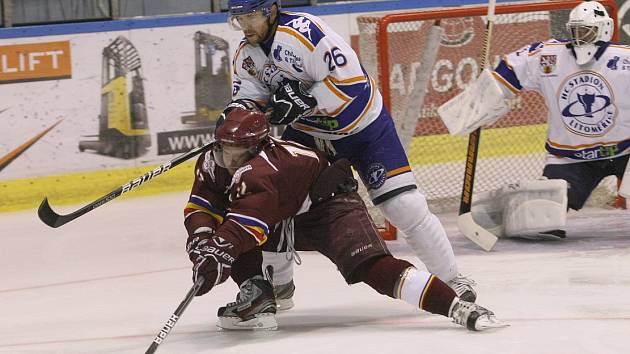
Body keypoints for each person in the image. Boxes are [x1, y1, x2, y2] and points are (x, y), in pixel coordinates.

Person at [222, 0, 477, 307]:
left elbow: (353, 85)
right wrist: (238, 119)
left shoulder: (305, 33)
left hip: (364, 128)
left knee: (403, 206)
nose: (245, 25)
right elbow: (249, 102)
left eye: (250, 16)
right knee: (273, 197)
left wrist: (307, 98)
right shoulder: (246, 56)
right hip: (309, 136)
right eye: (239, 18)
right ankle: (277, 285)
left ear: (271, 10)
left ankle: (451, 279)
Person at [183, 107, 505, 331]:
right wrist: (201, 241)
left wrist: (219, 252)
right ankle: (257, 296)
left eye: (239, 151)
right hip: (286, 211)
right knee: (224, 228)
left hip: (331, 206)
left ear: (259, 147)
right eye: (224, 147)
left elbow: (246, 224)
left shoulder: (264, 170)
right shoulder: (212, 162)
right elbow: (202, 206)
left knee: (372, 268)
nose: (229, 157)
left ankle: (456, 306)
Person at [438, 1, 630, 240]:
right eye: (576, 30)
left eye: (587, 31)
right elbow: (510, 70)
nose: (580, 37)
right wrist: (483, 98)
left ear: (603, 29)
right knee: (540, 219)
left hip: (625, 151)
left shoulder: (624, 60)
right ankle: (500, 209)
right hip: (571, 158)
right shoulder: (548, 56)